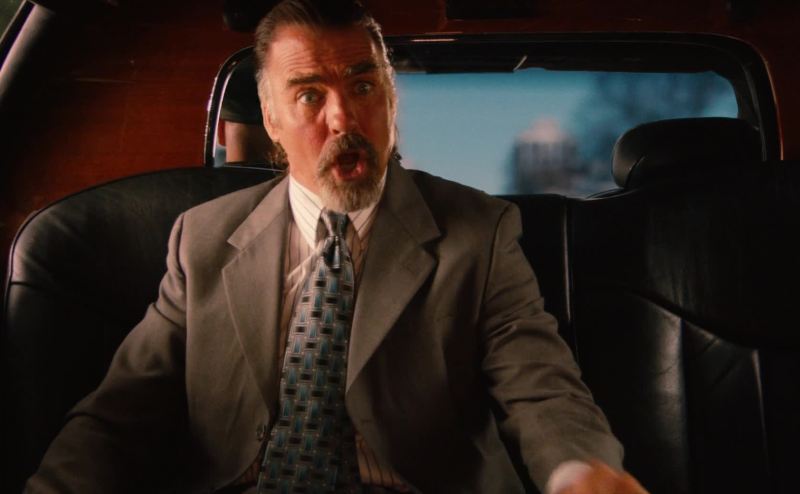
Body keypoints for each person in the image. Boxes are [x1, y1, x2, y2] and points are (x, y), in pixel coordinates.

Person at [27, 1, 647, 493]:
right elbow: (120, 414)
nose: (344, 119)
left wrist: (578, 473)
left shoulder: (478, 232)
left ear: (392, 100)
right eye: (309, 95)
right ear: (271, 121)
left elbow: (541, 387)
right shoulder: (203, 239)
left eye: (364, 86)